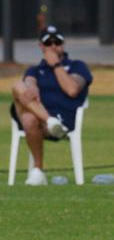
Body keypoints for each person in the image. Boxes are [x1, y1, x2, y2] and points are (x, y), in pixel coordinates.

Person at [10, 25, 92, 186]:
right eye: (48, 43)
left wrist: (56, 65)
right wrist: (32, 86)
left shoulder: (77, 66)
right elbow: (28, 83)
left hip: (64, 120)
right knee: (18, 89)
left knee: (28, 117)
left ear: (63, 43)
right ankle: (49, 121)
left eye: (57, 42)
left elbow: (72, 90)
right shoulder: (34, 70)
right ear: (41, 46)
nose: (53, 46)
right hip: (42, 119)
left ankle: (38, 170)